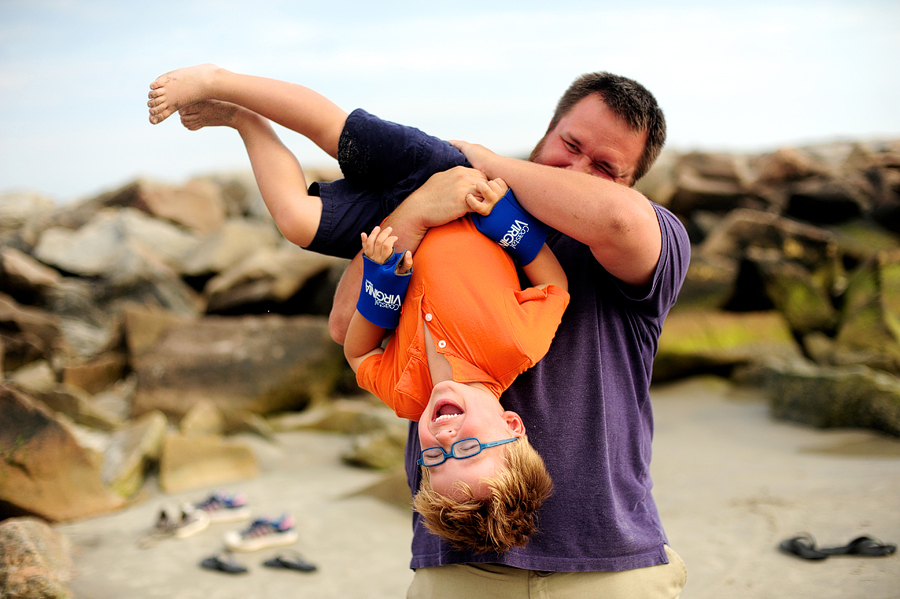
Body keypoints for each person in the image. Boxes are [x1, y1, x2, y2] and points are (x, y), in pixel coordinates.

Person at [147, 65, 569, 553]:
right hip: (442, 179)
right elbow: (554, 285)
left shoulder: (406, 398)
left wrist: (383, 288)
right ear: (512, 427)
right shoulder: (517, 346)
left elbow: (358, 351)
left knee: (296, 220)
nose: (446, 437)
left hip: (384, 232)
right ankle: (218, 81)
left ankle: (245, 121)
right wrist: (505, 220)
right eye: (469, 449)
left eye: (434, 458)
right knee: (335, 132)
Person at [323, 73, 692, 598]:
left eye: (606, 168)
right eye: (571, 145)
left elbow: (617, 221)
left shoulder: (649, 242)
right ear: (547, 132)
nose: (580, 168)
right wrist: (419, 209)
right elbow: (345, 324)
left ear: (630, 183)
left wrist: (478, 161)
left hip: (608, 556)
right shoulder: (452, 216)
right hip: (461, 560)